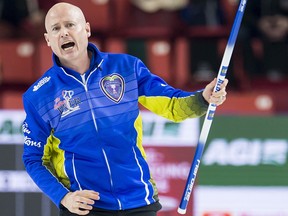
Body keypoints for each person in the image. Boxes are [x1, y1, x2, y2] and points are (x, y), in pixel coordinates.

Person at [22, 2, 228, 216]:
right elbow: (34, 159)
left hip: (138, 200)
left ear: (87, 29)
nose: (64, 32)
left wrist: (203, 98)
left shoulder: (127, 68)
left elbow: (172, 104)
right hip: (85, 207)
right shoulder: (39, 96)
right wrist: (63, 197)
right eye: (56, 28)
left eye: (70, 25)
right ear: (47, 39)